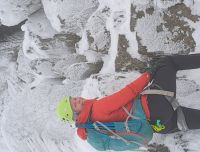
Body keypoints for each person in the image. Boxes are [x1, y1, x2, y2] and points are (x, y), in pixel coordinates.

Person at [56, 53, 200, 150]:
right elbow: (127, 93)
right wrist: (149, 74)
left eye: (73, 98)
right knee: (168, 62)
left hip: (158, 125)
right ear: (75, 114)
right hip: (155, 106)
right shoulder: (97, 109)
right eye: (74, 104)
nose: (77, 99)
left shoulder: (93, 129)